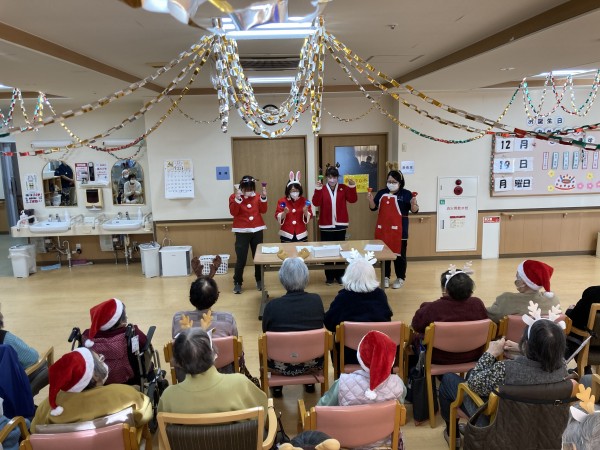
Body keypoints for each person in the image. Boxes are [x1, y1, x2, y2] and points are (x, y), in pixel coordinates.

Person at [438, 319, 568, 448]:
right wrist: (522, 348)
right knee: (475, 373)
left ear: (527, 343)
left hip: (499, 426)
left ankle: (452, 434)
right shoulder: (563, 368)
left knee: (449, 379)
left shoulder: (505, 369)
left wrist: (490, 353)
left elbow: (473, 383)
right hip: (540, 427)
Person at [317, 331, 406, 449]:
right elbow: (400, 410)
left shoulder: (342, 383)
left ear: (360, 357)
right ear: (391, 360)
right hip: (385, 444)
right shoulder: (398, 384)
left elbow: (320, 410)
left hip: (346, 443)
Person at [31, 347, 152, 432]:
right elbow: (144, 415)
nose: (102, 360)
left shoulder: (47, 407)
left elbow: (34, 430)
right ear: (95, 375)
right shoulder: (123, 395)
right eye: (100, 359)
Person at [157, 328, 268, 415]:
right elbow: (263, 413)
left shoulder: (168, 397)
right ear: (213, 354)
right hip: (239, 439)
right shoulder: (240, 383)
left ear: (178, 362)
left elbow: (165, 430)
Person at [262, 257, 325, 397]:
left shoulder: (272, 306)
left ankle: (277, 387)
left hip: (280, 366)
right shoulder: (316, 301)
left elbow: (265, 332)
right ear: (306, 278)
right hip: (312, 363)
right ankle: (310, 382)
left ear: (282, 279)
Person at [324, 255, 393, 372]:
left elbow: (329, 323)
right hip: (376, 354)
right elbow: (387, 319)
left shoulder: (343, 297)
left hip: (349, 356)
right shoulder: (380, 295)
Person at [411, 269, 488, 364]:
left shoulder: (433, 308)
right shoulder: (477, 304)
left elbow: (416, 325)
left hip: (438, 358)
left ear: (445, 289)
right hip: (474, 355)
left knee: (415, 337)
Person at [367, 167, 418, 289]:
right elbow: (373, 208)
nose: (391, 184)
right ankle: (385, 277)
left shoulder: (406, 194)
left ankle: (400, 278)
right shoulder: (381, 193)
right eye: (389, 181)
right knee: (384, 255)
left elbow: (415, 210)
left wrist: (413, 204)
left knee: (399, 256)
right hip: (383, 230)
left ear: (400, 182)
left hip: (400, 231)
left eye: (394, 182)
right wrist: (370, 200)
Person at [81, 298, 148, 385]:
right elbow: (145, 345)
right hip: (130, 382)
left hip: (98, 383)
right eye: (125, 315)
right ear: (120, 321)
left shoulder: (87, 337)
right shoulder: (131, 333)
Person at [311, 164, 357, 285]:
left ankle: (340, 276)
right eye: (330, 177)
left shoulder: (343, 188)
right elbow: (315, 202)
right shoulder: (322, 188)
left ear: (338, 177)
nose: (332, 180)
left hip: (340, 225)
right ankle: (329, 276)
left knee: (341, 252)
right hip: (326, 226)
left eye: (334, 177)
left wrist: (352, 186)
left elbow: (353, 199)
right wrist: (317, 189)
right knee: (327, 252)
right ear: (326, 177)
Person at [487, 259, 560, 323]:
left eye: (518, 276)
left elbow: (488, 317)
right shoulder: (553, 301)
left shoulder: (507, 300)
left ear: (524, 282)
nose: (516, 279)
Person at [229, 175, 268, 294]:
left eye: (251, 188)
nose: (249, 190)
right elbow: (233, 212)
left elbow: (263, 210)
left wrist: (263, 198)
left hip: (257, 230)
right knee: (241, 259)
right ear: (242, 187)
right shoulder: (233, 196)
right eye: (246, 188)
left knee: (258, 258)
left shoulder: (257, 196)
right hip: (242, 231)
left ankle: (259, 280)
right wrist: (237, 200)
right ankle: (237, 282)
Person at [275, 170, 313, 242]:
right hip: (286, 234)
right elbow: (277, 216)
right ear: (288, 190)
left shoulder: (305, 201)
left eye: (297, 190)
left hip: (301, 234)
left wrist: (305, 212)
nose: (295, 192)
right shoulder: (282, 201)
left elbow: (310, 216)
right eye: (293, 190)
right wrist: (284, 213)